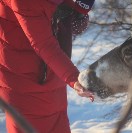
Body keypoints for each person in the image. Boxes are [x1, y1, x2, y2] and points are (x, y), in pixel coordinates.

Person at [0, 0, 95, 132]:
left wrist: (76, 13)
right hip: (23, 80)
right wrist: (74, 79)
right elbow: (45, 45)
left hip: (53, 72)